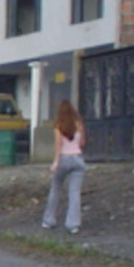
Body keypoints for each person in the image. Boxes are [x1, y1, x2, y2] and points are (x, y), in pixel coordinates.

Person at [42, 100, 88, 234]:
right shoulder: (79, 124)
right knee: (74, 192)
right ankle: (73, 224)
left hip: (63, 158)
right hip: (77, 159)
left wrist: (56, 161)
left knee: (55, 190)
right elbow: (82, 143)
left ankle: (49, 220)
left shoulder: (59, 125)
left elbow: (58, 144)